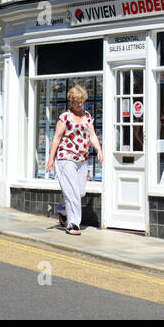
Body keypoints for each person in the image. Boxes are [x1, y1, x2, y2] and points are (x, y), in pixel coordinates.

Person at [44, 85, 104, 236]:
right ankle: (73, 224)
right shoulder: (65, 117)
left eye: (81, 101)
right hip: (66, 157)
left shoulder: (87, 116)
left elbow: (91, 135)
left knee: (80, 192)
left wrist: (98, 149)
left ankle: (63, 210)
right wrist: (51, 159)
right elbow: (56, 138)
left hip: (82, 159)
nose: (79, 104)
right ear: (71, 101)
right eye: (76, 101)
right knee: (72, 193)